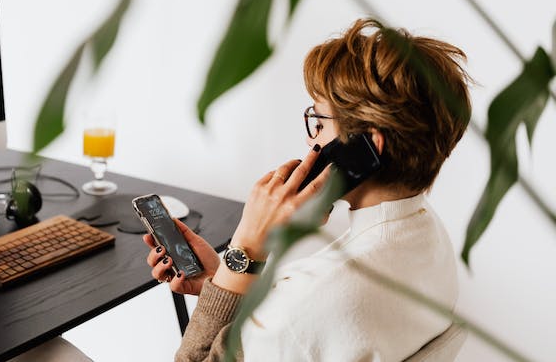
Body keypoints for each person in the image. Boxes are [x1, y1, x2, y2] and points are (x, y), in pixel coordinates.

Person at [144, 18, 472, 361]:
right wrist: (226, 278)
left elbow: (298, 321)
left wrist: (246, 245)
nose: (310, 138)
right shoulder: (428, 236)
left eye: (319, 122)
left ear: (368, 146)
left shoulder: (301, 311)